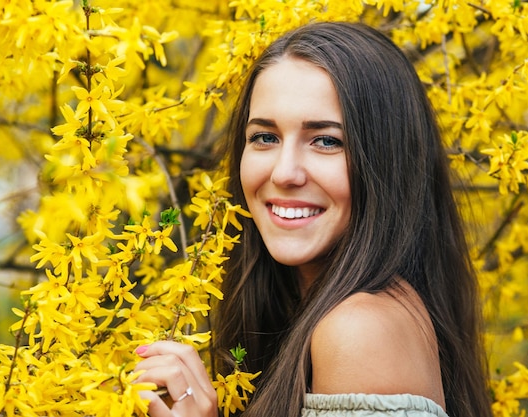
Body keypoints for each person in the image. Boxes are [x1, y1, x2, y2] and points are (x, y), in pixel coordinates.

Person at [134, 21, 493, 417]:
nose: (285, 173)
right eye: (265, 137)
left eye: (326, 141)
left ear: (388, 162)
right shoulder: (339, 311)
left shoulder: (360, 329)